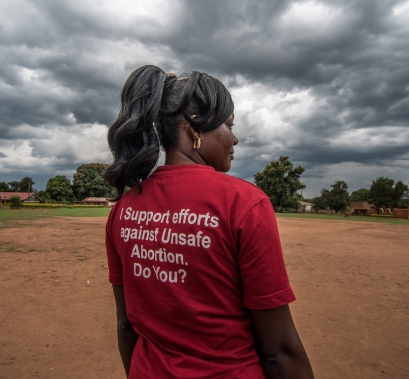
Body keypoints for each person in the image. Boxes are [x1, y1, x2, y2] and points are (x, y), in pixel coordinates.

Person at [104, 65, 314, 378]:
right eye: (229, 126)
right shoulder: (243, 203)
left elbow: (126, 325)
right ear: (195, 128)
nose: (235, 139)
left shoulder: (123, 209)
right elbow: (278, 350)